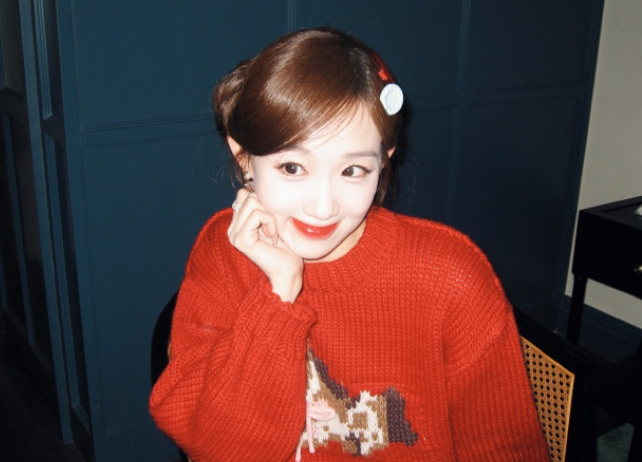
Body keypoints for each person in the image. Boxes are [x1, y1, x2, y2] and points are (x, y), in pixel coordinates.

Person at [149, 27, 549, 462]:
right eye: (292, 167)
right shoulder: (225, 251)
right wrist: (278, 292)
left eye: (353, 170)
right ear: (244, 156)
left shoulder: (450, 275)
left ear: (384, 160)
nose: (322, 208)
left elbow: (504, 448)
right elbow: (219, 447)